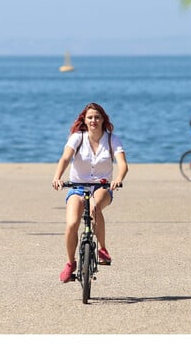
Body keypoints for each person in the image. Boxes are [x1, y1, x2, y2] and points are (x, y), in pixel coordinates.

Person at [52, 102, 128, 283]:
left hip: (101, 186)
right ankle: (71, 263)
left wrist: (118, 179)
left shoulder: (112, 139)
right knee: (72, 224)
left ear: (103, 120)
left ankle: (102, 249)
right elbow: (65, 157)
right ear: (85, 121)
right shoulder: (77, 138)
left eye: (97, 117)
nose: (93, 120)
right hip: (77, 186)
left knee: (95, 208)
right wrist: (57, 177)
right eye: (90, 117)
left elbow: (123, 164)